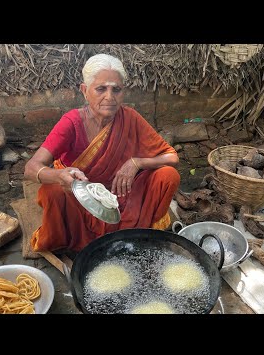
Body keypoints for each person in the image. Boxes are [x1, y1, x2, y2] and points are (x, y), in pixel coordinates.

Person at [24, 53, 180, 253]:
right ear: (84, 91)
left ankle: (140, 231)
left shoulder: (130, 117)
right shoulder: (71, 122)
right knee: (51, 191)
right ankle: (74, 240)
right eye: (101, 89)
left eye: (116, 89)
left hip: (123, 192)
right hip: (83, 197)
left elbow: (171, 157)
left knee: (167, 176)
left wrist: (136, 163)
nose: (109, 97)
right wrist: (59, 176)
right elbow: (31, 168)